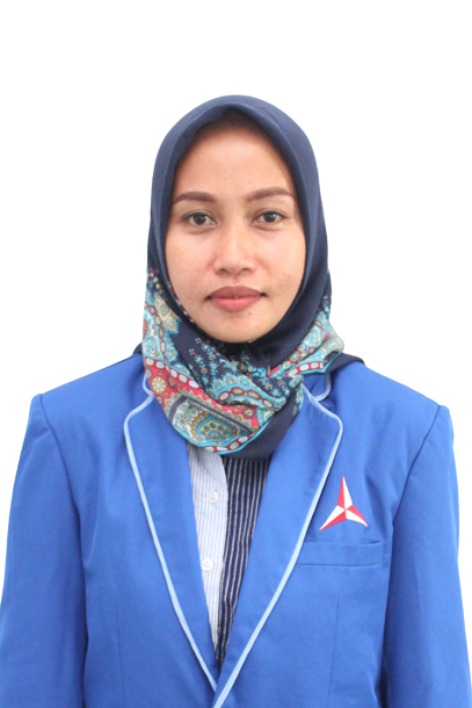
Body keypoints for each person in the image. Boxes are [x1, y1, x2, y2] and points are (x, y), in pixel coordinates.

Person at [0, 95, 470, 707]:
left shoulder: (405, 435)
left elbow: (433, 689)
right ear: (159, 234)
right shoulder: (70, 433)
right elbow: (32, 685)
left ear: (311, 232)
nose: (233, 257)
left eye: (268, 216)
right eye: (198, 218)